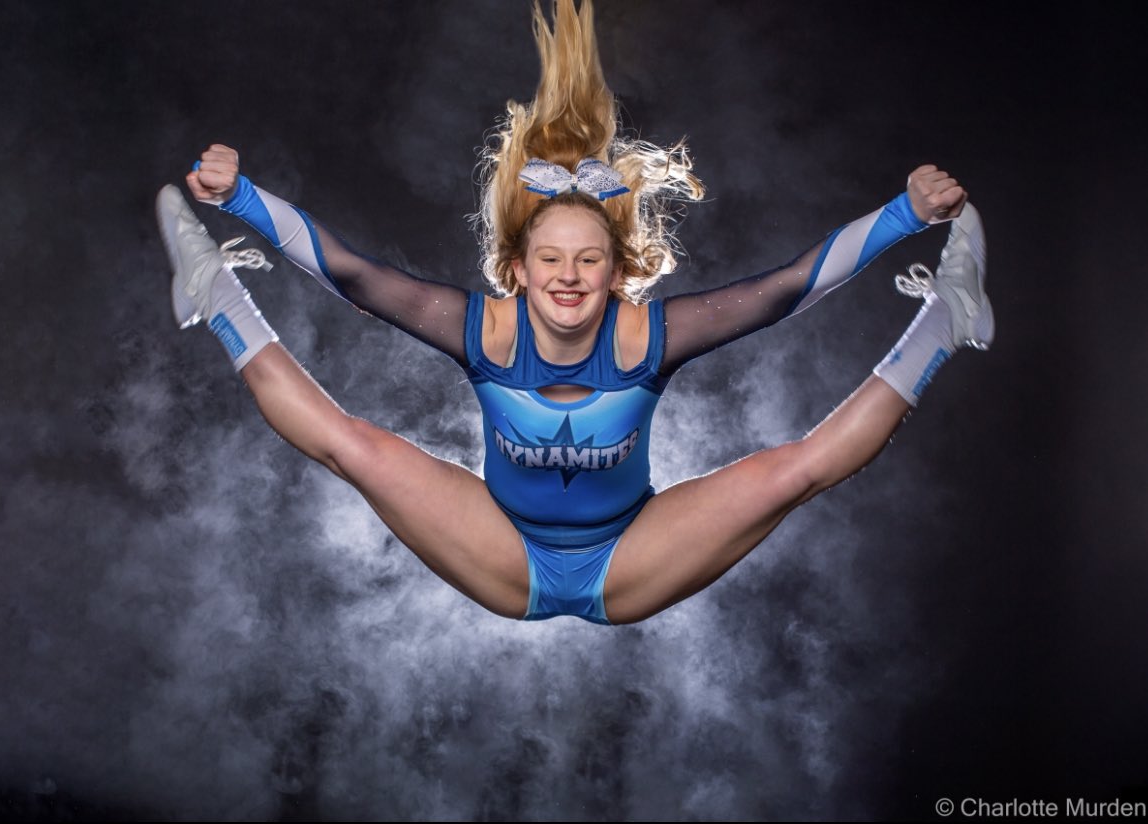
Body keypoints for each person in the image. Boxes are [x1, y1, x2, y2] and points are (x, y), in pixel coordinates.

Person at [156, 0, 993, 626]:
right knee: (356, 448)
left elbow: (790, 287)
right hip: (503, 553)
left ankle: (947, 321)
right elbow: (353, 276)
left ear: (619, 270)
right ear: (516, 269)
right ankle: (216, 296)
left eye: (589, 259)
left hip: (631, 557)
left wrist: (907, 217)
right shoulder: (485, 330)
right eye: (550, 259)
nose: (569, 276)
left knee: (793, 472)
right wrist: (241, 198)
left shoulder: (643, 337)